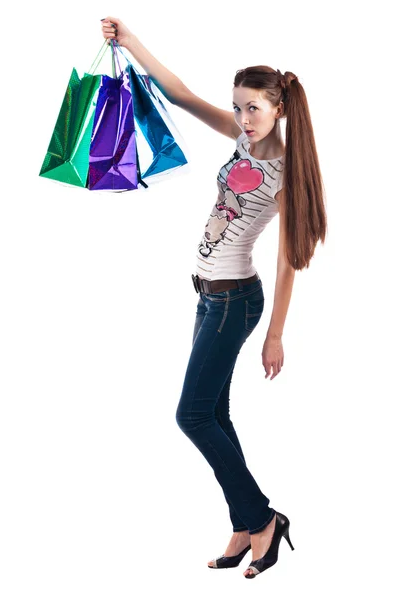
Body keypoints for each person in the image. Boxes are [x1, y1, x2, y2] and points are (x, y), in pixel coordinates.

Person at [101, 16, 327, 579]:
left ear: (279, 109)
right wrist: (130, 42)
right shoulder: (241, 138)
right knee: (215, 413)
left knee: (191, 415)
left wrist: (276, 333)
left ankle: (263, 518)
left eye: (253, 107)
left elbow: (287, 261)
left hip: (235, 303)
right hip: (206, 298)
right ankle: (243, 524)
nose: (243, 118)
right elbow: (179, 92)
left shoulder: (283, 171)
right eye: (239, 107)